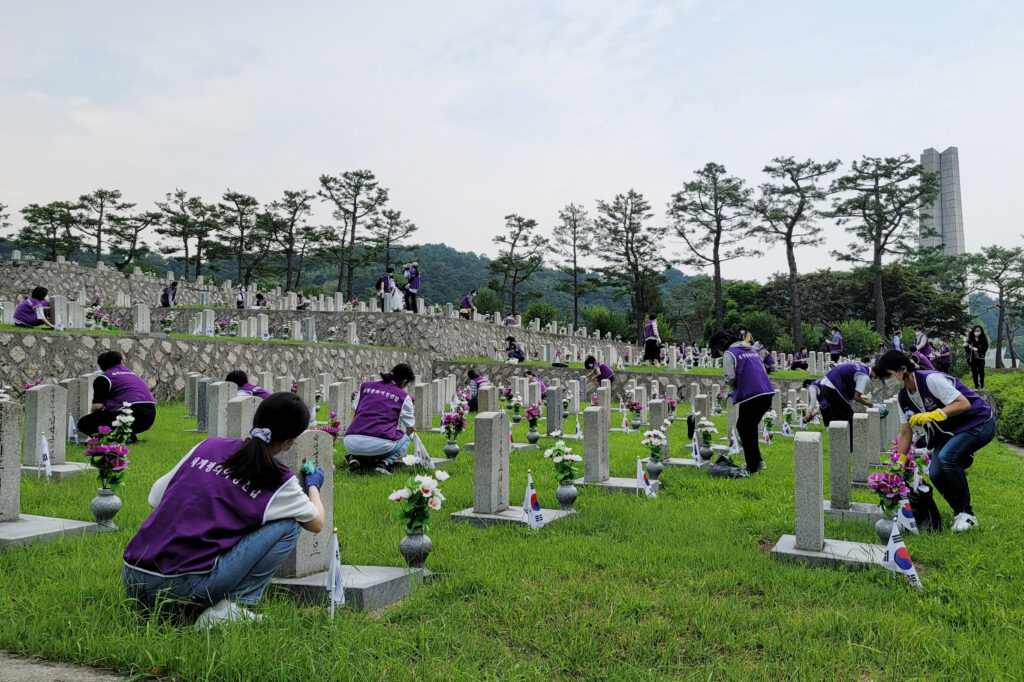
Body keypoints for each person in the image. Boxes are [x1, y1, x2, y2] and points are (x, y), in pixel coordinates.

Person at [121, 392, 325, 626]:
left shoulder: (208, 446)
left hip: (133, 578)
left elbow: (156, 497)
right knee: (289, 525)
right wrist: (313, 486)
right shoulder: (279, 479)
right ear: (289, 442)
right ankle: (235, 606)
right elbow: (316, 522)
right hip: (179, 588)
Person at [873, 350, 995, 532]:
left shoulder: (930, 380)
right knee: (936, 473)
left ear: (903, 369)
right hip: (950, 433)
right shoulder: (903, 397)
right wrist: (898, 466)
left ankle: (967, 514)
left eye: (888, 375)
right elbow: (905, 434)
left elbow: (964, 403)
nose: (886, 381)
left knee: (947, 457)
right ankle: (960, 513)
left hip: (979, 422)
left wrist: (934, 414)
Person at [711, 331, 773, 475]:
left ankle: (752, 467)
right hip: (766, 392)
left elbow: (730, 377)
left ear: (719, 347)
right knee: (749, 427)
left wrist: (730, 389)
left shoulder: (729, 353)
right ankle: (758, 461)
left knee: (743, 427)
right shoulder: (750, 349)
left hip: (751, 394)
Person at [343, 363, 416, 474]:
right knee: (406, 438)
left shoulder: (365, 386)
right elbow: (410, 428)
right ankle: (384, 463)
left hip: (350, 441)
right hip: (380, 443)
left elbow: (356, 409)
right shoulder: (403, 396)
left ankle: (355, 457)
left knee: (366, 442)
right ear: (404, 382)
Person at [77, 351, 157, 444]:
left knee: (84, 423)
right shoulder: (132, 374)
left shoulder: (104, 378)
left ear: (101, 367)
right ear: (121, 362)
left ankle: (116, 438)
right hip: (149, 416)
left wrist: (93, 418)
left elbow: (97, 406)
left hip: (127, 414)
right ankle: (128, 436)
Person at [964, 325, 988, 389]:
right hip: (972, 358)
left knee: (981, 371)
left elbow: (985, 348)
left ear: (981, 331)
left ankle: (982, 384)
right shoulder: (970, 339)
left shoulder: (983, 339)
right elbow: (967, 351)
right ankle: (976, 385)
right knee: (974, 372)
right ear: (973, 331)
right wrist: (966, 346)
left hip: (981, 357)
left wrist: (978, 349)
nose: (977, 332)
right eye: (975, 331)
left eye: (978, 331)